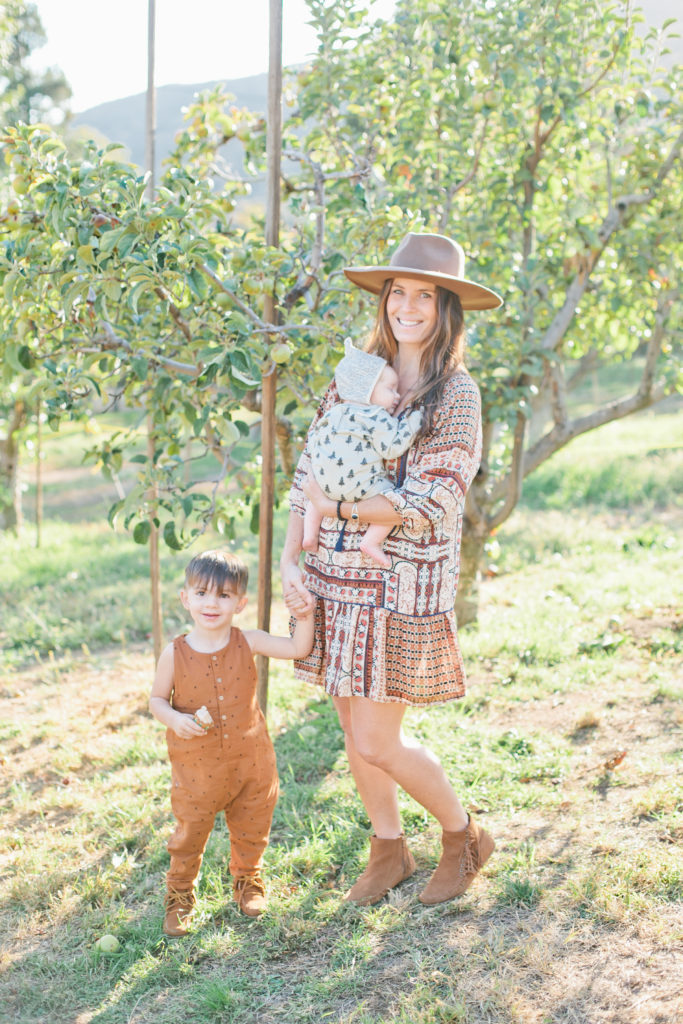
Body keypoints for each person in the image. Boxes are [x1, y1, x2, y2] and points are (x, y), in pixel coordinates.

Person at [281, 231, 503, 907]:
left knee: (379, 738)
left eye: (424, 295)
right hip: (333, 578)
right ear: (384, 301)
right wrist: (291, 557)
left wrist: (338, 512)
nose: (407, 306)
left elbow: (434, 502)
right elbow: (308, 470)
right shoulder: (353, 376)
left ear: (446, 308)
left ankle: (463, 834)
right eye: (396, 292)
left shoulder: (454, 395)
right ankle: (388, 848)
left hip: (399, 586)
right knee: (350, 728)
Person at [149, 549, 314, 935]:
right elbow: (156, 700)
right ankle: (180, 894)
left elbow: (297, 649)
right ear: (185, 598)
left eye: (224, 595)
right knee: (191, 830)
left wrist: (303, 615)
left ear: (240, 603)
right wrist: (174, 718)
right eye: (202, 593)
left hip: (251, 761)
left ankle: (248, 880)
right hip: (197, 767)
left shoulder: (248, 641)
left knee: (252, 824)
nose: (212, 603)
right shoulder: (174, 653)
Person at [303, 338, 423, 567]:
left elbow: (313, 442)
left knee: (313, 493)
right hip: (361, 487)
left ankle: (309, 535)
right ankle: (370, 542)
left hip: (325, 484)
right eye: (390, 389)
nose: (396, 396)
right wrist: (414, 421)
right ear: (366, 390)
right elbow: (392, 446)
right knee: (391, 500)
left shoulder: (334, 412)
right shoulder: (374, 416)